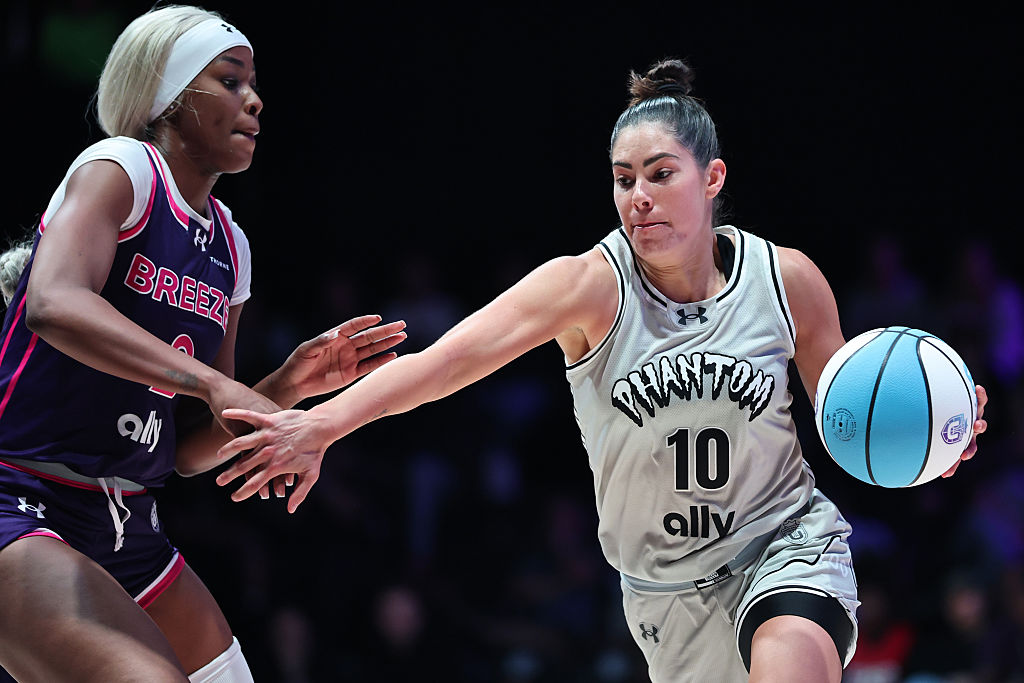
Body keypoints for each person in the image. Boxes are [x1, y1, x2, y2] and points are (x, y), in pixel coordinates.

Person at [215, 59, 989, 682]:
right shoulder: (588, 285)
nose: (639, 198)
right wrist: (322, 422)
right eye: (624, 179)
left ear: (712, 179)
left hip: (783, 544)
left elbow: (844, 412)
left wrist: (935, 424)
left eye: (660, 174)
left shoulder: (787, 279)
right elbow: (440, 365)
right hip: (664, 595)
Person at [0, 5, 405, 682]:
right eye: (230, 80)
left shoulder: (230, 245)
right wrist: (215, 381)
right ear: (170, 96)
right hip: (19, 496)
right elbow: (52, 301)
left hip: (129, 518)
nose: (255, 99)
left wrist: (285, 385)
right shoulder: (123, 167)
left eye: (253, 83)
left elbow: (186, 447)